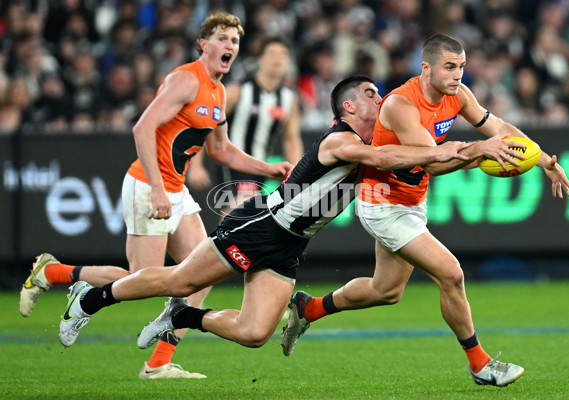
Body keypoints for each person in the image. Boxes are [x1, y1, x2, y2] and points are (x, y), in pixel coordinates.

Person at [50, 75, 505, 371]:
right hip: (260, 226)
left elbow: (415, 160)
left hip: (289, 247)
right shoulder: (340, 141)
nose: (379, 98)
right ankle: (91, 299)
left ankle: (184, 316)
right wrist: (468, 148)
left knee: (254, 334)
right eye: (369, 94)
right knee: (178, 277)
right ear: (347, 107)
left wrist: (473, 154)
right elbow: (385, 157)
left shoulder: (378, 139)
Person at [281, 34, 569, 387]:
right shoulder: (400, 105)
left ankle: (307, 308)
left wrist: (542, 159)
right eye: (449, 67)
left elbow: (500, 129)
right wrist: (483, 150)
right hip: (383, 204)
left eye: (462, 66)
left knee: (385, 290)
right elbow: (433, 162)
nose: (457, 75)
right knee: (451, 274)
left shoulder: (459, 95)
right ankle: (480, 365)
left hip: (413, 202)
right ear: (426, 68)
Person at [19, 12, 293, 380]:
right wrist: (159, 188)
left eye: (235, 41)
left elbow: (222, 149)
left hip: (175, 191)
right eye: (223, 38)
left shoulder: (219, 90)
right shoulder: (185, 78)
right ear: (203, 44)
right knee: (142, 279)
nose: (230, 46)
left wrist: (268, 169)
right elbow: (142, 127)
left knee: (202, 273)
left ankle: (159, 362)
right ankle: (56, 274)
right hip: (150, 187)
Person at [219, 35, 303, 207]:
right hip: (233, 163)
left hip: (261, 168)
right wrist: (196, 165)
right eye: (272, 53)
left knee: (239, 218)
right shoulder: (238, 90)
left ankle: (220, 235)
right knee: (242, 208)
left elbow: (291, 138)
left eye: (283, 55)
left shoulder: (289, 99)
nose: (277, 59)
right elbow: (206, 123)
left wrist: (297, 174)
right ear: (260, 58)